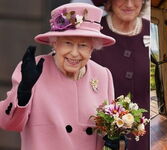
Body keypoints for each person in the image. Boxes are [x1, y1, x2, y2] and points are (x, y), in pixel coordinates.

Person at [0, 3, 116, 150]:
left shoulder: (103, 75)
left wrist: (117, 141)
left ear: (92, 48)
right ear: (54, 43)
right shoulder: (34, 70)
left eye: (83, 45)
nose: (74, 53)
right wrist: (24, 92)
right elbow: (8, 124)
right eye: (68, 43)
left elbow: (109, 131)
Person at [90, 0, 150, 149]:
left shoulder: (151, 29)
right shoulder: (92, 32)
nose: (129, 4)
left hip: (146, 137)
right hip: (99, 137)